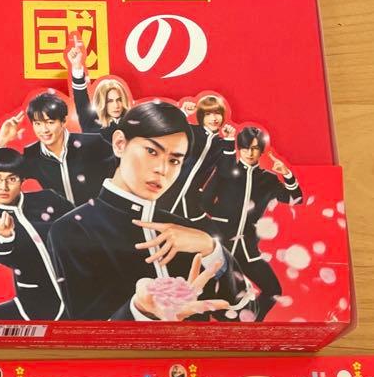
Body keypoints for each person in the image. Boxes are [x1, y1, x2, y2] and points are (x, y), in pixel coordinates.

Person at [46, 100, 255, 321]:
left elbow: (246, 315)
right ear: (120, 144)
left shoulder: (189, 233)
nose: (162, 169)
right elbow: (88, 334)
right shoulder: (71, 230)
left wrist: (211, 249)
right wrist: (140, 311)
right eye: (152, 151)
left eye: (174, 160)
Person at [196, 125, 302, 321]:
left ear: (261, 151)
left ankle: (251, 325)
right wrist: (223, 218)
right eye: (245, 147)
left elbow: (295, 198)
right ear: (239, 148)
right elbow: (204, 202)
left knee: (273, 290)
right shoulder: (226, 171)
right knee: (206, 294)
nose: (250, 153)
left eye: (254, 148)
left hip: (247, 249)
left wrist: (286, 174)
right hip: (220, 245)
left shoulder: (268, 180)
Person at [0, 148, 72, 320]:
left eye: (12, 179)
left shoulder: (49, 199)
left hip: (80, 294)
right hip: (36, 305)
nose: (4, 187)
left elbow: (82, 225)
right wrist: (4, 237)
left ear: (22, 180)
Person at [0, 92, 114, 206]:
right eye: (38, 124)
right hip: (62, 220)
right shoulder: (32, 155)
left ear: (63, 121)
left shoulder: (92, 144)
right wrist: (2, 140)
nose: (44, 130)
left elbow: (122, 166)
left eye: (50, 122)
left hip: (99, 216)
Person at [167, 94, 229, 221]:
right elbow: (165, 130)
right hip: (167, 191)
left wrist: (229, 141)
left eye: (217, 113)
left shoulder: (222, 144)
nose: (213, 118)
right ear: (201, 116)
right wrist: (183, 113)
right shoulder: (190, 130)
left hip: (192, 202)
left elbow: (227, 170)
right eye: (208, 114)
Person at [65, 34, 132, 144]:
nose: (116, 105)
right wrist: (76, 66)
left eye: (119, 100)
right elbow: (80, 97)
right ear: (102, 102)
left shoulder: (134, 125)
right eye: (110, 101)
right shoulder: (91, 122)